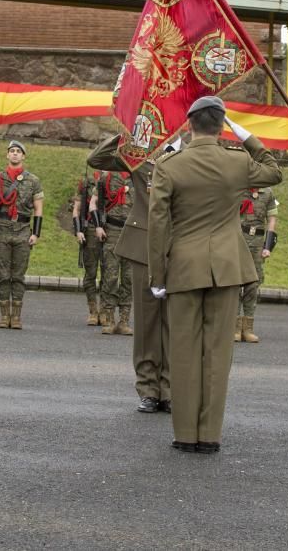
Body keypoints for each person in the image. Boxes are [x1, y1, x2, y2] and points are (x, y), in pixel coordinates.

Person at [148, 96, 281, 453]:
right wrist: (247, 136)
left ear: (189, 125)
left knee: (183, 350)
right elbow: (274, 170)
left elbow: (158, 223)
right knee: (218, 353)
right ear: (222, 127)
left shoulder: (169, 165)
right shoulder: (237, 162)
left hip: (184, 267)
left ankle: (184, 434)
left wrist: (158, 275)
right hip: (226, 266)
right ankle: (209, 436)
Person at [88, 133, 183, 413]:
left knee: (174, 322)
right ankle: (148, 388)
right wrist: (128, 131)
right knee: (146, 323)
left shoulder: (192, 154)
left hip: (180, 247)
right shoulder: (141, 154)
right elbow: (97, 159)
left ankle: (169, 388)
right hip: (143, 244)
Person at [0, 140, 43, 330]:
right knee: (3, 276)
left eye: (18, 151)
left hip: (23, 231)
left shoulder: (33, 180)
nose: (15, 154)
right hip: (1, 230)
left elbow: (39, 209)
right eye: (12, 151)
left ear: (23, 156)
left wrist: (36, 233)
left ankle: (15, 317)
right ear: (7, 155)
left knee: (18, 276)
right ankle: (4, 316)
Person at [92, 167, 134, 335]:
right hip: (112, 230)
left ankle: (124, 321)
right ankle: (109, 319)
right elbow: (94, 203)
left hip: (132, 232)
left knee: (129, 278)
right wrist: (98, 226)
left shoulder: (139, 176)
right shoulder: (106, 176)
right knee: (110, 277)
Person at [236, 182, 278, 343]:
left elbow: (272, 220)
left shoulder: (267, 193)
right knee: (235, 282)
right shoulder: (238, 189)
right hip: (238, 239)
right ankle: (234, 327)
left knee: (253, 284)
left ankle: (248, 328)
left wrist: (268, 247)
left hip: (258, 242)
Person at [72, 172, 104, 327]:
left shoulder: (116, 178)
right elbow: (77, 209)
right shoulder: (86, 182)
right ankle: (93, 310)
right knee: (90, 273)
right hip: (90, 230)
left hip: (110, 229)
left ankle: (105, 311)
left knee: (108, 273)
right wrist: (78, 230)